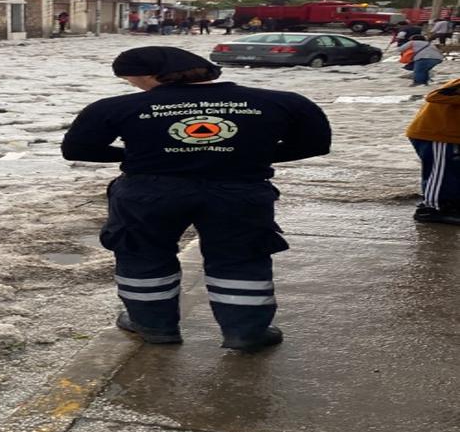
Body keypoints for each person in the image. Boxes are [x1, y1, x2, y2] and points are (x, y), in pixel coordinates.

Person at [61, 47, 331, 351]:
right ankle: (246, 332)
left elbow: (77, 150)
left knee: (142, 254)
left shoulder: (115, 107)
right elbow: (316, 144)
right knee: (240, 257)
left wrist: (145, 156)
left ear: (150, 75)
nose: (133, 87)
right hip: (239, 190)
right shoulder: (282, 101)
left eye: (132, 81)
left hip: (149, 193)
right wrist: (247, 155)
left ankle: (153, 326)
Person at [406, 77, 460, 226]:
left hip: (449, 135)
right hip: (436, 133)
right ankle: (432, 209)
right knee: (440, 172)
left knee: (452, 171)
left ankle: (450, 204)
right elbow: (434, 96)